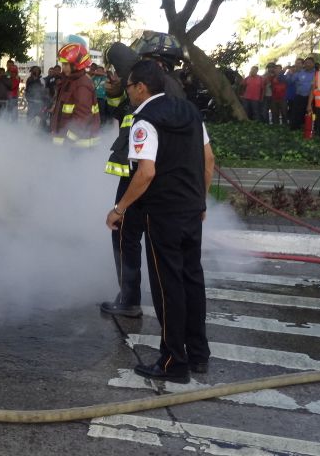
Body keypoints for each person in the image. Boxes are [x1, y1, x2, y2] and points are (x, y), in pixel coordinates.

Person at [106, 60, 214, 382]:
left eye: (128, 87)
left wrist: (120, 208)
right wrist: (201, 200)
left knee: (168, 287)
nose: (127, 92)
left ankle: (173, 363)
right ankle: (198, 354)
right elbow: (208, 160)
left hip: (164, 214)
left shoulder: (144, 120)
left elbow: (146, 172)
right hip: (192, 210)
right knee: (192, 280)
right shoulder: (191, 112)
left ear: (141, 87)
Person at [99, 31, 187, 318]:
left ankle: (129, 299)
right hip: (160, 173)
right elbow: (123, 113)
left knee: (125, 233)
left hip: (142, 173)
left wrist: (119, 207)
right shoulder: (171, 87)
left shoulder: (154, 85)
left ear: (152, 60)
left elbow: (120, 53)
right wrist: (114, 94)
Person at [50, 42, 100, 147]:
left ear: (77, 64)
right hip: (70, 144)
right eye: (62, 64)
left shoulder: (82, 85)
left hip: (77, 147)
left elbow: (82, 118)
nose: (63, 68)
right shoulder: (70, 80)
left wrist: (67, 140)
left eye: (66, 64)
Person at [289, 57, 316, 131]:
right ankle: (295, 129)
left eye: (309, 62)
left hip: (311, 98)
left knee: (310, 114)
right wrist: (291, 73)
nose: (308, 64)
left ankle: (310, 130)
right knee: (296, 114)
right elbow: (291, 81)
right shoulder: (299, 73)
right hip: (299, 97)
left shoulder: (317, 73)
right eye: (306, 63)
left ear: (313, 64)